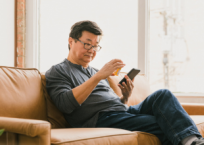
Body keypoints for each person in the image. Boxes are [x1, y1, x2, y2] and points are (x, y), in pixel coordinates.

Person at [45, 20, 204, 145]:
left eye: (95, 46)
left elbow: (114, 104)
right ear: (71, 41)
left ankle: (193, 142)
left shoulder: (94, 72)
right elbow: (65, 104)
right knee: (165, 124)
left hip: (122, 112)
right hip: (100, 119)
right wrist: (99, 76)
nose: (92, 50)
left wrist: (125, 96)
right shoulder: (58, 71)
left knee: (163, 95)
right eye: (87, 44)